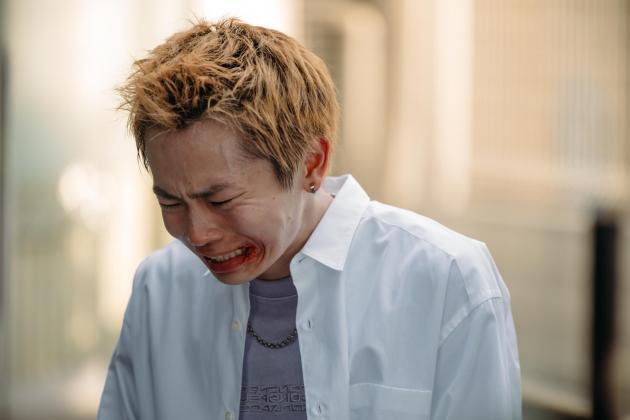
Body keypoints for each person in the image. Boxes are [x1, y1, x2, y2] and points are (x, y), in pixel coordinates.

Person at [97, 18, 521, 420]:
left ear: (311, 165)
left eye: (220, 200)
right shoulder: (160, 287)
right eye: (171, 203)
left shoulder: (448, 280)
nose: (197, 234)